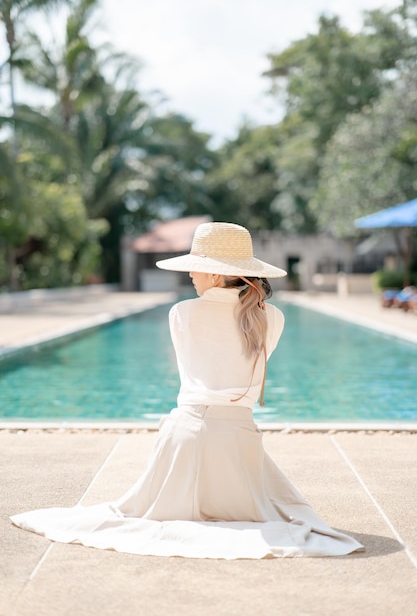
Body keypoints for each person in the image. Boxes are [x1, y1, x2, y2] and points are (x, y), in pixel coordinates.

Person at [11, 222, 363, 558]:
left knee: (135, 516)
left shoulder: (181, 313)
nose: (190, 274)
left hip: (184, 442)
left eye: (195, 268)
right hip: (239, 444)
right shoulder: (273, 317)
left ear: (213, 273)